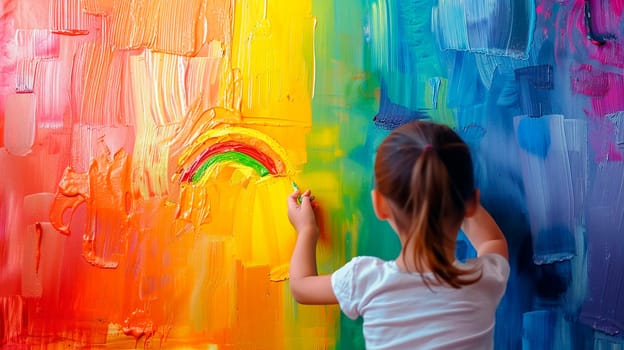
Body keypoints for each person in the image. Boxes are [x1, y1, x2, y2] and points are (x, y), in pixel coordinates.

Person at [287, 120, 509, 349]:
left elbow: (301, 287)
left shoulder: (364, 281)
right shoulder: (483, 279)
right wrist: (447, 192)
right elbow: (492, 241)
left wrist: (307, 230)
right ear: (470, 204)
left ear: (379, 205)